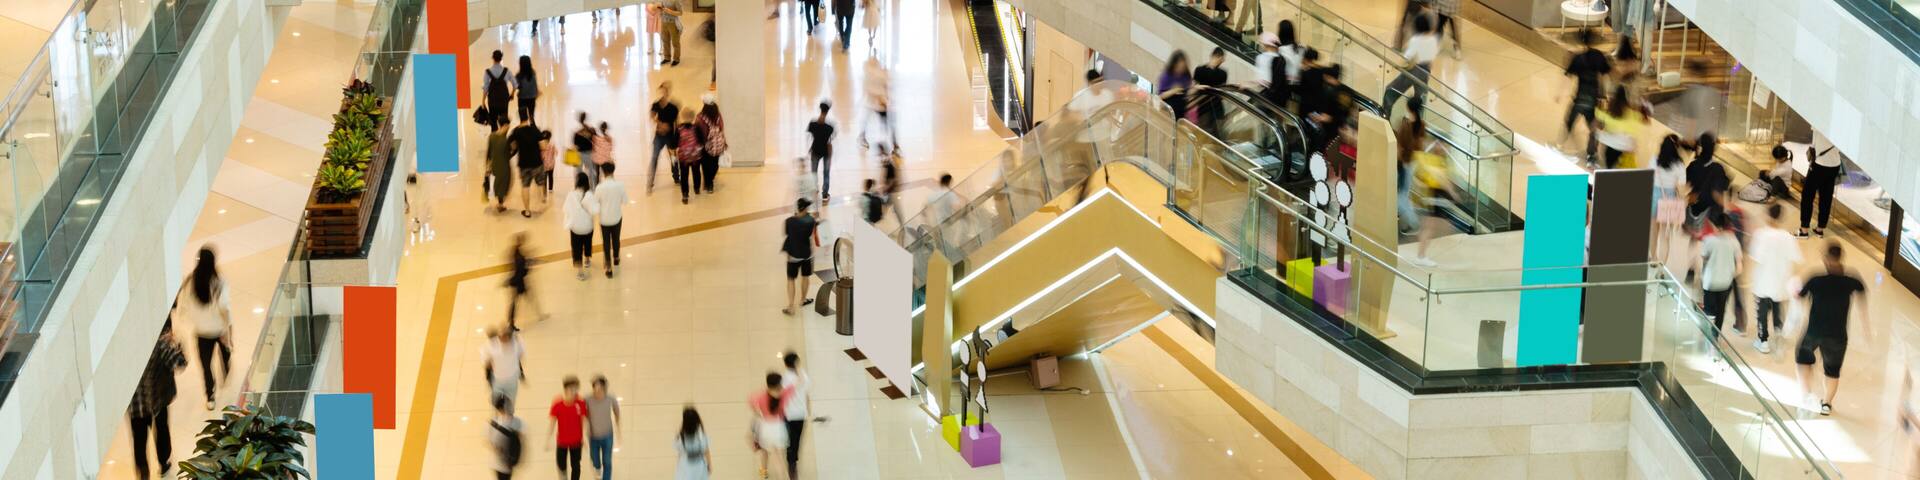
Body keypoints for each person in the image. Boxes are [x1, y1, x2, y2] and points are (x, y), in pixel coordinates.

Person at [1796, 243, 1871, 416]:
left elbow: (1799, 296)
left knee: (1803, 360)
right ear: (1840, 258)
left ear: (1825, 260)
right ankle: (1827, 404)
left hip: (1814, 332)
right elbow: (1862, 297)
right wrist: (1866, 329)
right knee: (1832, 370)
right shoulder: (1852, 281)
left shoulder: (1815, 280)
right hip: (1838, 335)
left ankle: (1806, 395)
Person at [176, 247, 231, 410]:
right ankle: (225, 372)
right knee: (226, 353)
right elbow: (225, 307)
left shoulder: (190, 282)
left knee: (206, 366)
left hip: (201, 332)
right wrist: (227, 329)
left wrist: (189, 323)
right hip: (218, 330)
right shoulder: (219, 282)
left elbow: (182, 307)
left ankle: (210, 396)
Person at [129, 326, 187, 479]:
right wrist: (177, 343)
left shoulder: (126, 348)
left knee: (139, 439)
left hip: (136, 404)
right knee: (161, 430)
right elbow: (181, 363)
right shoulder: (160, 344)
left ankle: (143, 472)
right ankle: (163, 463)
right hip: (157, 399)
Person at [1747, 203, 1801, 354]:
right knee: (1778, 309)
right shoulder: (1788, 237)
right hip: (1781, 282)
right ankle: (1778, 335)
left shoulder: (1761, 234)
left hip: (1762, 282)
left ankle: (1763, 340)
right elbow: (1796, 259)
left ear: (1768, 215)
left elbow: (1756, 257)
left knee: (1762, 312)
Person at [1561, 28, 1611, 158]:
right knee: (1593, 128)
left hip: (1579, 98)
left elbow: (1568, 76)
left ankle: (1564, 146)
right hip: (1594, 99)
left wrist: (1561, 94)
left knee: (1569, 121)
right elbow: (1606, 76)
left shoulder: (1578, 58)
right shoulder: (1599, 56)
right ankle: (1591, 154)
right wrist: (1606, 94)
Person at [1381, 14, 1439, 116]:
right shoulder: (1433, 40)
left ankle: (1385, 115)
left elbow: (1407, 58)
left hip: (1413, 71)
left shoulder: (1416, 40)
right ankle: (1418, 122)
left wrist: (1397, 65)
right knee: (1419, 102)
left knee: (1390, 91)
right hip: (1425, 73)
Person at [1695, 211, 1742, 336]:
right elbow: (1739, 266)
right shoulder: (1734, 241)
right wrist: (1731, 275)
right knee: (1721, 312)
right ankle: (1715, 337)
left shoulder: (1709, 240)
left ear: (1715, 225)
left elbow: (1704, 257)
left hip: (1710, 282)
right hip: (1726, 282)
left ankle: (1705, 336)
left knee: (1709, 311)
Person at [749, 372, 793, 479]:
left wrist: (758, 414)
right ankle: (783, 476)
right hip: (779, 428)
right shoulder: (784, 394)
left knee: (765, 453)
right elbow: (792, 387)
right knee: (779, 458)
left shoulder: (761, 396)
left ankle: (764, 472)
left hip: (765, 428)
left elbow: (751, 400)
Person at [1592, 85, 1648, 169]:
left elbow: (1599, 116)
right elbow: (1642, 119)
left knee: (1609, 166)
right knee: (1619, 166)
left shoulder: (1611, 110)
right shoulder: (1631, 112)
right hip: (1623, 147)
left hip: (1610, 146)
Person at [782, 198, 821, 315]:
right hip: (806, 255)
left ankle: (791, 306)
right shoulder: (811, 221)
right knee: (805, 277)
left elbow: (787, 233)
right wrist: (813, 217)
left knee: (791, 279)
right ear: (804, 209)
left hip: (793, 255)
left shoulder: (789, 221)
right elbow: (811, 225)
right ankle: (803, 299)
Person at [1675, 59, 1723, 149]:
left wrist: (1689, 140)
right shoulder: (1713, 92)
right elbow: (1715, 116)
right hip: (1709, 139)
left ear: (1692, 74)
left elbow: (1691, 119)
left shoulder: (1691, 93)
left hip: (1695, 140)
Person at [1652, 135, 1686, 257]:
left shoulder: (1654, 160)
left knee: (1653, 232)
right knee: (1665, 236)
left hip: (1654, 196)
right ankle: (1661, 267)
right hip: (1669, 198)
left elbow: (1648, 177)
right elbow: (1681, 189)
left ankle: (1653, 259)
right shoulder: (1680, 165)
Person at [549, 376, 588, 480]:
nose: (574, 391)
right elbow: (552, 422)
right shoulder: (557, 403)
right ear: (565, 389)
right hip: (562, 441)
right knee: (561, 465)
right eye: (571, 389)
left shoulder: (580, 402)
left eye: (576, 389)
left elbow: (583, 419)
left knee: (575, 465)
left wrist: (584, 436)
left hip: (576, 441)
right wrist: (549, 438)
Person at [780, 352, 812, 480]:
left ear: (785, 364)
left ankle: (791, 464)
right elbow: (806, 394)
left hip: (788, 415)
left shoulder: (784, 378)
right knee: (797, 439)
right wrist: (808, 410)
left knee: (790, 440)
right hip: (801, 414)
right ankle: (794, 461)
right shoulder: (804, 375)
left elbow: (781, 397)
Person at [505, 233, 547, 327]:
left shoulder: (515, 250)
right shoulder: (519, 257)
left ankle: (511, 322)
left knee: (516, 302)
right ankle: (539, 315)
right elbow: (521, 269)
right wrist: (529, 267)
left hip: (517, 282)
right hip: (519, 283)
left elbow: (520, 262)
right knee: (522, 300)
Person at [584, 376, 621, 480]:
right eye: (595, 388)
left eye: (600, 388)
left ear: (605, 388)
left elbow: (617, 412)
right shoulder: (587, 399)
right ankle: (597, 467)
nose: (597, 391)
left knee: (607, 461)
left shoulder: (611, 398)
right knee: (594, 458)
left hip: (607, 435)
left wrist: (618, 428)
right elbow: (582, 413)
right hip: (593, 436)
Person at [594, 164, 627, 279]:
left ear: (603, 172)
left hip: (604, 220)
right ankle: (616, 257)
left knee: (606, 242)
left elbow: (595, 202)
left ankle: (608, 266)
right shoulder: (620, 185)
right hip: (616, 217)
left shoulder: (599, 187)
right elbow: (625, 200)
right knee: (616, 239)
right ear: (613, 171)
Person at [1800, 143, 1841, 238]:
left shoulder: (1821, 128)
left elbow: (1814, 143)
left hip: (1820, 163)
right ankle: (1820, 229)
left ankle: (1804, 229)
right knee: (1826, 196)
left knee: (1807, 195)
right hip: (1835, 164)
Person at [564, 172, 599, 281]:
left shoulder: (571, 195)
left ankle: (580, 273)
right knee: (587, 243)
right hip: (588, 227)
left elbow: (565, 209)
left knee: (576, 248)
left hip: (576, 228)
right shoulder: (589, 195)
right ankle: (587, 260)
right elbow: (595, 210)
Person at [485, 327, 528, 410]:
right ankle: (500, 409)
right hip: (498, 378)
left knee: (510, 398)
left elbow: (520, 357)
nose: (500, 339)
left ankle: (508, 411)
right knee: (497, 398)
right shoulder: (494, 348)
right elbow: (488, 364)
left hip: (510, 379)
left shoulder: (516, 346)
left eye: (502, 337)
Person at [513, 116, 548, 217]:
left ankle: (527, 211)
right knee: (541, 182)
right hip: (537, 162)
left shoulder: (516, 132)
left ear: (519, 118)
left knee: (525, 186)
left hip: (524, 164)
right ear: (527, 118)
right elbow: (543, 146)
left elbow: (513, 146)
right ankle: (542, 203)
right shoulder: (534, 129)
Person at [650, 83, 681, 192]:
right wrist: (660, 123)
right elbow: (652, 115)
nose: (663, 93)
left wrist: (677, 135)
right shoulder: (656, 104)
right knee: (654, 157)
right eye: (662, 90)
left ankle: (676, 177)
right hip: (659, 136)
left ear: (668, 92)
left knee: (673, 158)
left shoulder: (673, 107)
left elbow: (677, 122)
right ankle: (650, 180)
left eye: (665, 91)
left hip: (670, 137)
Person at [491, 394, 525, 479]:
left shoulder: (496, 424)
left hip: (502, 464)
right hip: (507, 463)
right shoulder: (517, 422)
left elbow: (493, 444)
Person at [807, 102, 836, 198]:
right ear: (827, 112)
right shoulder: (829, 127)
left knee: (814, 173)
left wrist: (810, 147)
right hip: (826, 152)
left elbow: (809, 137)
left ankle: (814, 190)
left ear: (820, 110)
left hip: (815, 150)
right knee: (826, 173)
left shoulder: (812, 124)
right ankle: (825, 194)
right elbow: (831, 139)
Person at [698, 96, 727, 193]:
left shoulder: (700, 117)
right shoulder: (718, 116)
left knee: (705, 165)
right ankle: (711, 178)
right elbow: (721, 128)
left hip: (705, 146)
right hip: (717, 146)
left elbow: (699, 131)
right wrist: (724, 141)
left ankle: (708, 184)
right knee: (714, 164)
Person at [675, 112, 705, 203]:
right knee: (696, 172)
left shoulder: (679, 128)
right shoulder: (696, 128)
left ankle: (685, 194)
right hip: (695, 156)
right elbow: (701, 141)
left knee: (684, 175)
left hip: (683, 157)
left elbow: (675, 143)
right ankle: (696, 188)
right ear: (692, 118)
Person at [675, 406, 712, 480]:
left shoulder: (680, 437)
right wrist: (709, 465)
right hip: (699, 468)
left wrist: (678, 466)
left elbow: (680, 453)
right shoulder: (701, 436)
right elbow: (706, 451)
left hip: (685, 467)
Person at [487, 119, 515, 213]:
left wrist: (488, 165)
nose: (509, 127)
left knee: (498, 183)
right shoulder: (505, 140)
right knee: (504, 185)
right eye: (508, 125)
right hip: (504, 166)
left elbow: (489, 152)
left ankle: (500, 203)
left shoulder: (492, 136)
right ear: (505, 125)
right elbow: (508, 156)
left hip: (495, 165)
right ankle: (500, 204)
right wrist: (515, 149)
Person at [1157, 50, 1194, 120]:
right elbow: (1160, 96)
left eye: (1183, 67)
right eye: (1178, 67)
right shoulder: (1166, 76)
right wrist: (1174, 90)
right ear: (1174, 65)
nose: (1180, 69)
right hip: (1168, 112)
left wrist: (1194, 89)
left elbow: (1188, 91)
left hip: (1181, 111)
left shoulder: (1186, 75)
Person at [483, 50, 514, 127]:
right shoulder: (506, 71)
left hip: (492, 101)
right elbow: (515, 84)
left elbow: (486, 88)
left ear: (492, 58)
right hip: (504, 100)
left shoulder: (487, 72)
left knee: (493, 122)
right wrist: (512, 94)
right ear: (501, 59)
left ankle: (494, 136)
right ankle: (503, 136)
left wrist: (483, 101)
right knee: (504, 122)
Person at [515, 55, 540, 124]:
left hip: (522, 98)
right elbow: (535, 85)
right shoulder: (533, 73)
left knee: (523, 117)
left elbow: (517, 86)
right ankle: (533, 128)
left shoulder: (519, 75)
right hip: (532, 97)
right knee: (531, 116)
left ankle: (523, 130)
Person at [659, 0, 684, 66]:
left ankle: (676, 59)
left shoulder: (676, 1)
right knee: (665, 41)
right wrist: (660, 10)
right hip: (664, 23)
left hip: (673, 23)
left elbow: (680, 13)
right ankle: (667, 58)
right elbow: (662, 9)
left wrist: (670, 11)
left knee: (675, 42)